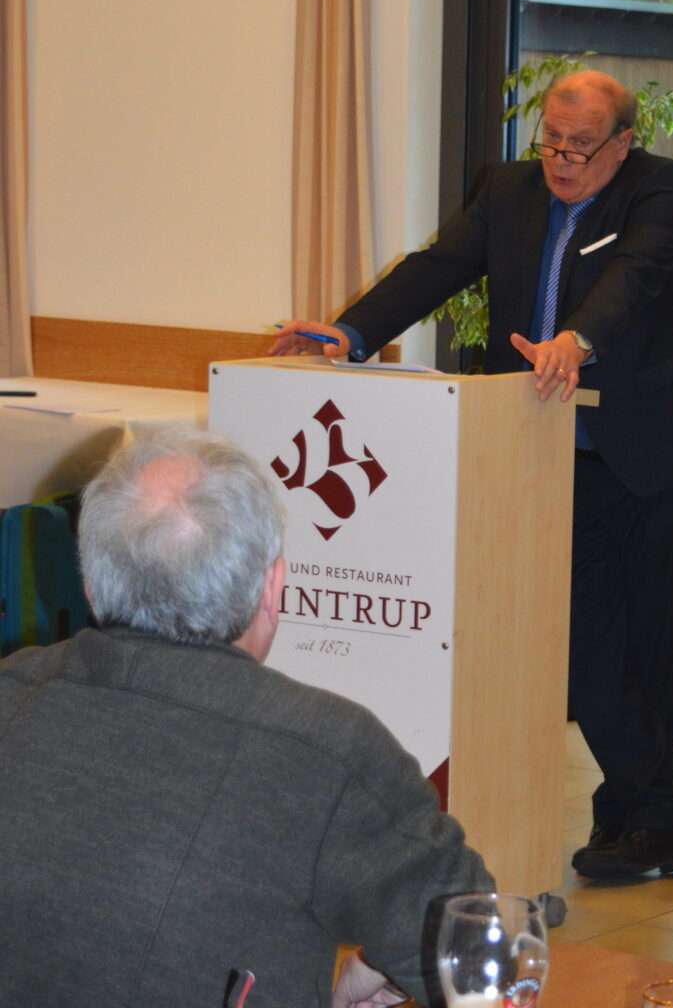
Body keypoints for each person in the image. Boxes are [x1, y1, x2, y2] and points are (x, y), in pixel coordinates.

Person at [274, 70, 673, 879]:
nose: (561, 159)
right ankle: (654, 816)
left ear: (622, 142)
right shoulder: (508, 190)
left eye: (580, 146)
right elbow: (437, 266)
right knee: (582, 631)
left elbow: (635, 277)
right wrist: (350, 333)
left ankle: (638, 817)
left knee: (651, 634)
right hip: (549, 448)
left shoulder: (660, 187)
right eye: (550, 140)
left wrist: (575, 340)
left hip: (659, 445)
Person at [0, 429, 493, 1007]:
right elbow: (480, 955)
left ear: (89, 585)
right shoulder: (328, 750)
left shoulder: (13, 691)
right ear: (273, 586)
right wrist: (380, 964)